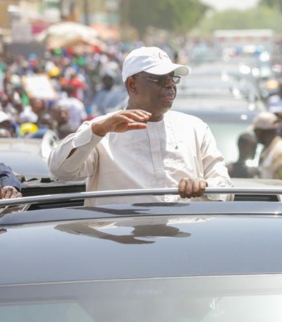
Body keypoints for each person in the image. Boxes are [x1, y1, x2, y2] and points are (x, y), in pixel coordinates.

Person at [48, 46, 232, 205]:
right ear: (132, 84)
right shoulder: (101, 129)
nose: (169, 84)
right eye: (159, 79)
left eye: (172, 77)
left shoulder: (195, 128)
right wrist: (97, 131)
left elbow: (226, 189)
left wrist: (204, 186)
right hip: (120, 241)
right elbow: (61, 170)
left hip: (183, 240)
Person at [253, 111, 282, 180]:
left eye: (256, 131)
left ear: (264, 132)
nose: (255, 135)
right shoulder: (270, 150)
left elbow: (280, 186)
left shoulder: (281, 153)